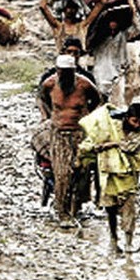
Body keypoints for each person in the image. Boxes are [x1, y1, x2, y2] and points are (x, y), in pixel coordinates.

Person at [38, 55, 101, 227]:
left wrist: (87, 115)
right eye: (61, 72)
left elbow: (97, 99)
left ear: (73, 71)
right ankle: (62, 211)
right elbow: (42, 99)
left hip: (79, 134)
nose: (64, 75)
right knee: (62, 174)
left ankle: (77, 206)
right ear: (57, 71)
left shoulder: (84, 84)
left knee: (81, 171)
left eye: (68, 72)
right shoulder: (49, 84)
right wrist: (47, 116)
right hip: (59, 135)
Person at [78, 103, 140, 253]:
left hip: (128, 179)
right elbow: (94, 144)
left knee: (129, 212)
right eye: (134, 121)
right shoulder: (111, 127)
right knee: (110, 210)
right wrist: (99, 146)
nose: (137, 125)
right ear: (127, 117)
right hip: (107, 174)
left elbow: (129, 148)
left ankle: (129, 242)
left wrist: (111, 143)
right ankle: (113, 240)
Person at [39, 0, 106, 53]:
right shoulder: (58, 27)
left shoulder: (82, 26)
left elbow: (101, 3)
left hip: (79, 62)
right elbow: (42, 7)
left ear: (77, 9)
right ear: (63, 9)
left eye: (73, 8)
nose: (70, 11)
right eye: (68, 8)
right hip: (63, 63)